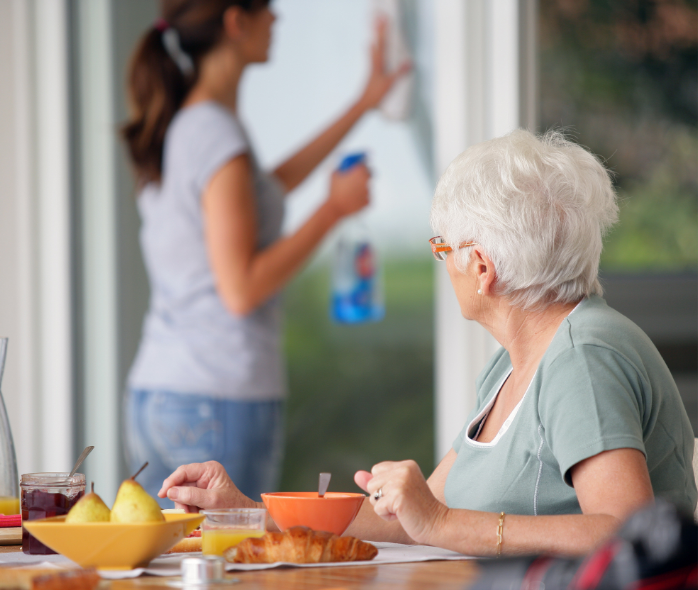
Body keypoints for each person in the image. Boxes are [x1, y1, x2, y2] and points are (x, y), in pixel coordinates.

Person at [157, 130, 697, 555]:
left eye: (442, 246)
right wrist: (246, 511)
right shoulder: (512, 365)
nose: (440, 263)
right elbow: (417, 519)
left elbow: (629, 532)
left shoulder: (583, 358)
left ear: (481, 267)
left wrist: (440, 522)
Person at [121, 0, 409, 505]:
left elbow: (262, 191)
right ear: (236, 21)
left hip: (163, 392)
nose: (278, 20)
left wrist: (363, 104)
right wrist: (332, 211)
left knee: (168, 568)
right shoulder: (216, 133)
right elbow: (241, 288)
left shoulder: (190, 124)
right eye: (269, 10)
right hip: (218, 394)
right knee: (233, 566)